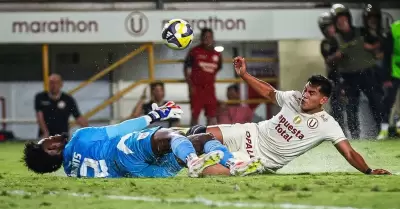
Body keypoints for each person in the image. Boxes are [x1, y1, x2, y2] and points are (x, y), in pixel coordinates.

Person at [183, 56, 392, 176]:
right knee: (198, 134)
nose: (305, 95)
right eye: (306, 90)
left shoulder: (328, 125)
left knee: (205, 172)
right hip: (249, 133)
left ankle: (213, 158)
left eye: (312, 93)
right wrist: (245, 75)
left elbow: (349, 153)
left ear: (323, 100)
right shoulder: (293, 97)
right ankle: (163, 158)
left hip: (259, 160)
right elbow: (268, 92)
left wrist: (368, 170)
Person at [23, 101, 264, 178]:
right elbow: (119, 129)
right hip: (124, 152)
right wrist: (155, 115)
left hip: (142, 172)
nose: (53, 136)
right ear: (53, 150)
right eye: (49, 140)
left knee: (200, 135)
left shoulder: (70, 172)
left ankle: (231, 163)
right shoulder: (79, 137)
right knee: (173, 135)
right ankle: (193, 160)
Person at [329, 4, 385, 139]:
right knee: (351, 106)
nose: (342, 22)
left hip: (367, 73)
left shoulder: (362, 32)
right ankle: (355, 136)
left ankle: (382, 131)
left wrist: (373, 48)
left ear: (348, 19)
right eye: (338, 21)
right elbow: (329, 60)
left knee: (376, 102)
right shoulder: (335, 40)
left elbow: (380, 46)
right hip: (348, 76)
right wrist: (336, 57)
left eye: (343, 19)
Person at [184, 28, 223, 126]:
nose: (207, 39)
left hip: (210, 90)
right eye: (205, 37)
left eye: (209, 37)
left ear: (213, 38)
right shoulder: (194, 52)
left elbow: (218, 67)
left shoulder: (217, 54)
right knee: (195, 115)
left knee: (212, 116)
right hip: (196, 89)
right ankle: (192, 137)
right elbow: (186, 70)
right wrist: (190, 86)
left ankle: (211, 138)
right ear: (201, 38)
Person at [34, 73, 88, 138]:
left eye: (56, 83)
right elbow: (39, 116)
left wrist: (88, 132)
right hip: (45, 137)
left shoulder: (68, 99)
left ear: (61, 84)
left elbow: (78, 117)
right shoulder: (40, 97)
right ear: (47, 84)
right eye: (51, 82)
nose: (54, 85)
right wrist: (45, 132)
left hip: (62, 137)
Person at [318, 11, 346, 132]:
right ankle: (338, 131)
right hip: (334, 76)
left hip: (348, 75)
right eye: (327, 27)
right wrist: (338, 55)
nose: (331, 29)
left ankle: (353, 130)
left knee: (350, 103)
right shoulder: (326, 43)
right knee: (336, 104)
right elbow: (329, 60)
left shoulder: (343, 38)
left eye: (331, 26)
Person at [378, 20, 400, 139]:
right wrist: (386, 76)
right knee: (388, 101)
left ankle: (398, 126)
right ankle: (384, 129)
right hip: (394, 72)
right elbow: (386, 54)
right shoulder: (395, 28)